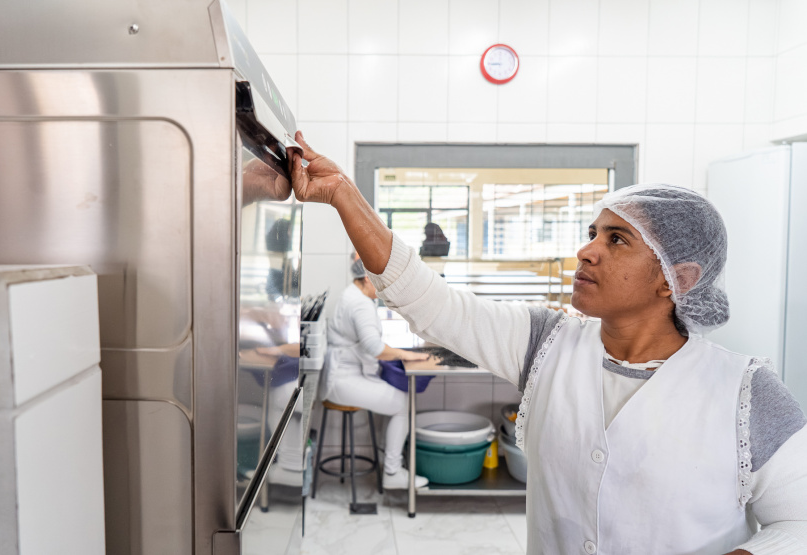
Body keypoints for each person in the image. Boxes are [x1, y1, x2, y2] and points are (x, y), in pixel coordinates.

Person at [288, 131, 807, 555]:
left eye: (616, 239)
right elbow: (429, 302)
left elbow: (800, 523)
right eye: (592, 232)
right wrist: (342, 194)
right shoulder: (545, 342)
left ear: (677, 278)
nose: (585, 251)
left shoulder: (745, 392)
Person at [322, 253, 431, 489]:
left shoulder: (352, 293)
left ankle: (388, 460)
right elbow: (374, 347)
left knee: (398, 401)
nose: (384, 289)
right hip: (343, 380)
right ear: (368, 279)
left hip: (344, 374)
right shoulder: (360, 304)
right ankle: (392, 473)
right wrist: (407, 355)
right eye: (381, 282)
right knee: (403, 404)